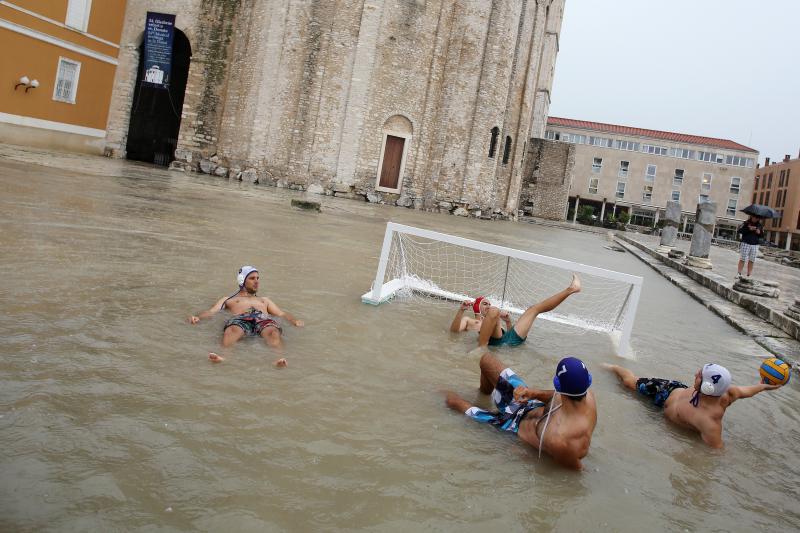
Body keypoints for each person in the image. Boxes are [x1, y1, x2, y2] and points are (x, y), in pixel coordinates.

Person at [445, 353, 597, 470]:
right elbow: (555, 396)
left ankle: (437, 389)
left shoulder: (563, 441)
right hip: (527, 404)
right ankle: (483, 396)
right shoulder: (587, 394)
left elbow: (573, 473)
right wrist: (533, 393)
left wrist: (524, 455)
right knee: (486, 361)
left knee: (453, 402)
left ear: (559, 386)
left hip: (509, 428)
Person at [604, 362, 780, 449]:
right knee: (629, 382)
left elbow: (715, 451)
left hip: (665, 413)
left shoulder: (709, 422)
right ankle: (613, 366)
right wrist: (764, 386)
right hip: (669, 390)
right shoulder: (728, 392)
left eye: (699, 375)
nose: (696, 373)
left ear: (707, 387)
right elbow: (746, 390)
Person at [188, 266, 303, 365]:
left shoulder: (264, 300)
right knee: (231, 330)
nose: (256, 281)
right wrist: (198, 317)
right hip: (240, 319)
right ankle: (224, 356)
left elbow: (281, 313)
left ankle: (278, 358)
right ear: (242, 280)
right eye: (252, 278)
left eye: (258, 278)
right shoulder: (229, 299)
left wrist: (294, 321)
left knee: (273, 331)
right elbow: (212, 311)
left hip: (262, 319)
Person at [450, 274, 581, 347]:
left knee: (533, 309)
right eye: (485, 304)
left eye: (489, 304)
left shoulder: (493, 317)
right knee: (495, 311)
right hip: (496, 343)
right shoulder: (471, 321)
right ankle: (481, 348)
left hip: (508, 339)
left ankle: (571, 289)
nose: (488, 306)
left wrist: (507, 321)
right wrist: (461, 310)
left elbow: (506, 337)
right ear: (477, 307)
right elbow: (454, 331)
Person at [737, 214, 763, 279]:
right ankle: (739, 273)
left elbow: (762, 235)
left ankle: (749, 274)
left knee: (752, 260)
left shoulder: (760, 225)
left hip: (755, 244)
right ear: (752, 216)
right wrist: (749, 229)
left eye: (758, 218)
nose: (756, 219)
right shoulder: (746, 223)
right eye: (755, 217)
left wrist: (759, 232)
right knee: (742, 258)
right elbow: (739, 231)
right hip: (746, 243)